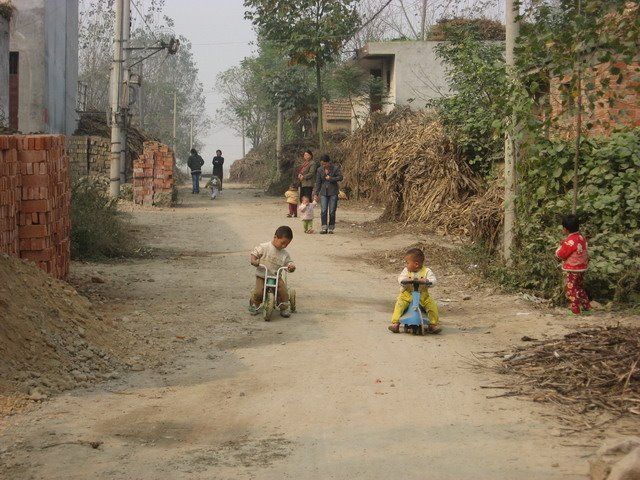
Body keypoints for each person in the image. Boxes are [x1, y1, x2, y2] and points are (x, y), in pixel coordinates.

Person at [388, 248, 441, 334]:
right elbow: (400, 278)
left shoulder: (427, 271)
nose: (406, 265)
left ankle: (432, 324)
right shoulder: (406, 271)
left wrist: (427, 281)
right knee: (399, 304)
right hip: (407, 295)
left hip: (423, 296)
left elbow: (434, 280)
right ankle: (395, 323)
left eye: (407, 263)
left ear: (416, 264)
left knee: (432, 305)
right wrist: (404, 280)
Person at [249, 226, 296, 318]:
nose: (284, 246)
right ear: (275, 237)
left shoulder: (284, 254)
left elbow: (288, 263)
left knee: (283, 291)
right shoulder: (264, 247)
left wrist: (291, 267)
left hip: (276, 276)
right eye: (282, 243)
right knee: (259, 292)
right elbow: (254, 254)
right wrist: (254, 261)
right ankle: (255, 304)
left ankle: (283, 307)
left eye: (287, 244)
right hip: (262, 275)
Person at [555, 214, 591, 315]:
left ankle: (575, 310)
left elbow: (561, 254)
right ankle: (587, 307)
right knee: (579, 287)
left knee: (570, 289)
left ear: (565, 229)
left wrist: (558, 249)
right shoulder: (581, 238)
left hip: (573, 269)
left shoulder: (569, 241)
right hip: (582, 268)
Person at [313, 154, 343, 234]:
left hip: (333, 192)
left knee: (332, 210)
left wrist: (331, 178)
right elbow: (318, 182)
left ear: (329, 162)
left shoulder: (335, 168)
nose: (323, 165)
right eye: (322, 164)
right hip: (323, 192)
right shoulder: (319, 170)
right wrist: (316, 193)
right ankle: (324, 227)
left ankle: (331, 227)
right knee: (323, 210)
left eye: (324, 163)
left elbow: (340, 177)